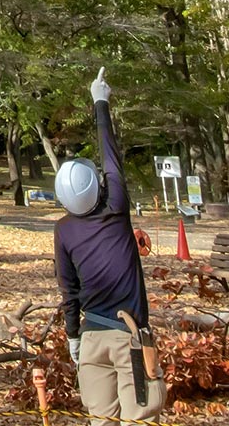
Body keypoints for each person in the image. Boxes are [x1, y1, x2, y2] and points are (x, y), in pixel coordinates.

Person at [54, 67, 158, 422]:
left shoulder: (64, 230)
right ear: (97, 187)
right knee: (139, 420)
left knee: (101, 420)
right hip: (128, 337)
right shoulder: (115, 209)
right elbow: (111, 158)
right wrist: (100, 101)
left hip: (92, 337)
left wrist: (72, 337)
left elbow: (69, 289)